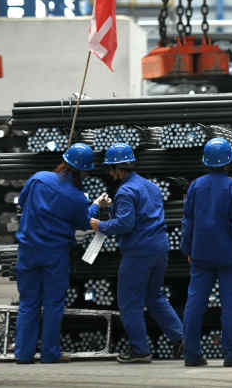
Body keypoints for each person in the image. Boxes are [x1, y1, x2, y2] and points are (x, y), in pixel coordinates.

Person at [89, 143, 184, 363]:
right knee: (154, 296)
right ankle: (181, 339)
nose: (110, 174)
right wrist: (113, 207)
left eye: (110, 169)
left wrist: (100, 225)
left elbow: (126, 224)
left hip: (138, 251)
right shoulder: (150, 186)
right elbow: (142, 213)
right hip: (159, 247)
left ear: (117, 168)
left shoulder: (125, 191)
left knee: (129, 301)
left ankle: (140, 350)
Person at [14, 142, 105, 364]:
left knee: (28, 303)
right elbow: (83, 222)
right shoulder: (77, 197)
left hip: (28, 250)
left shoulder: (38, 179)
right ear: (83, 171)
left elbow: (23, 202)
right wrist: (95, 205)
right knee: (53, 304)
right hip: (55, 255)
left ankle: (23, 354)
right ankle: (49, 353)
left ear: (64, 161)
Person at [180, 138, 232, 368]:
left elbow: (188, 221)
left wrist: (187, 248)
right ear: (229, 161)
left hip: (201, 254)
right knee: (231, 306)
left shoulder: (195, 186)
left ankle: (191, 354)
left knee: (195, 303)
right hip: (229, 257)